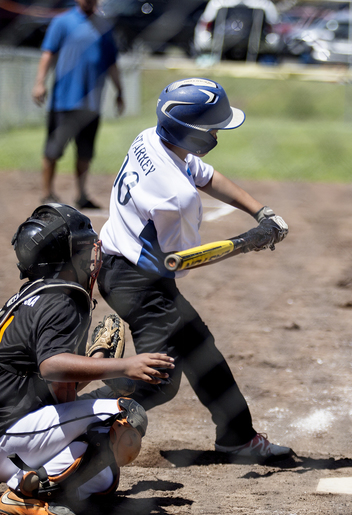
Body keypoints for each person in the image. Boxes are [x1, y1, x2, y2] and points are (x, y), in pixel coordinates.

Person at [95, 77, 292, 462]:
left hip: (117, 260)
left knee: (200, 348)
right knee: (160, 381)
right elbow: (181, 262)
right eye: (213, 127)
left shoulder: (151, 139)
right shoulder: (176, 198)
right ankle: (71, 410)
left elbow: (206, 175)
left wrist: (260, 212)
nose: (218, 132)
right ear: (193, 132)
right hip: (140, 282)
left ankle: (237, 437)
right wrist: (248, 242)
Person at [0, 203, 174, 515]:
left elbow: (53, 387)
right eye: (82, 249)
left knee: (104, 477)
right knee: (124, 414)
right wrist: (124, 365)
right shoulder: (65, 298)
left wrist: (97, 357)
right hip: (12, 433)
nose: (91, 256)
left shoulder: (28, 297)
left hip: (16, 434)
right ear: (66, 256)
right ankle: (24, 497)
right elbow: (51, 366)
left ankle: (29, 483)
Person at [32, 0, 125, 210]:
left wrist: (120, 91)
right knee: (53, 150)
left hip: (91, 103)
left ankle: (81, 195)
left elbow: (112, 63)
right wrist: (39, 83)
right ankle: (47, 193)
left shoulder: (105, 26)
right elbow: (48, 54)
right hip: (64, 101)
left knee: (85, 153)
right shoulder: (62, 22)